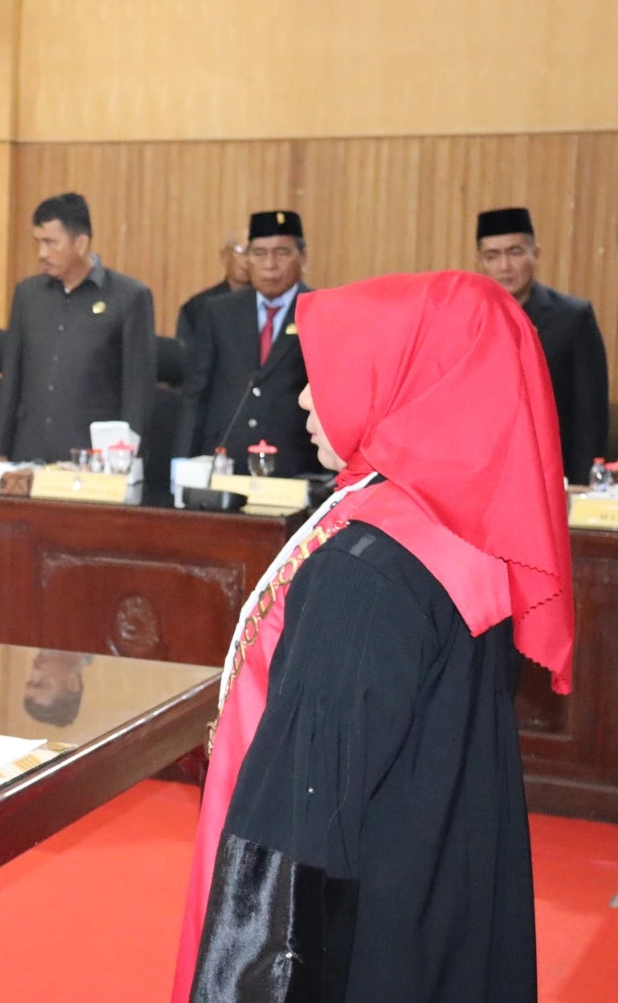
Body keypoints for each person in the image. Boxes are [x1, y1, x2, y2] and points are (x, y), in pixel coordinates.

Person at [173, 270, 572, 1003]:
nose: (301, 400)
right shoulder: (460, 538)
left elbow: (294, 850)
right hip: (436, 894)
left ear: (402, 385)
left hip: (362, 942)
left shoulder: (362, 574)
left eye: (327, 374)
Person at [0, 193, 155, 463]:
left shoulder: (128, 297)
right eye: (38, 243)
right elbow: (12, 379)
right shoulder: (28, 295)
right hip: (29, 455)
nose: (42, 254)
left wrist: (126, 462)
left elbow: (138, 393)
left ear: (81, 243)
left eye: (51, 243)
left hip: (93, 460)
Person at [177, 210, 320, 476]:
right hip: (225, 462)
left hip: (295, 467)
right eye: (258, 253)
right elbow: (196, 394)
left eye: (281, 253)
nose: (269, 264)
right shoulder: (219, 311)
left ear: (303, 257)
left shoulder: (321, 312)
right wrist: (182, 464)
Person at [476, 206, 609, 482]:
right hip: (485, 475)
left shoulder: (573, 318)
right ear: (481, 262)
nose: (504, 266)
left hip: (551, 473)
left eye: (514, 252)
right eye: (493, 256)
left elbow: (590, 416)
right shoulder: (468, 320)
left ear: (534, 253)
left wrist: (580, 486)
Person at [175, 230, 249, 350]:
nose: (248, 260)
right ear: (224, 256)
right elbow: (185, 356)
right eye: (242, 251)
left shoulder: (268, 304)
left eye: (255, 253)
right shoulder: (198, 306)